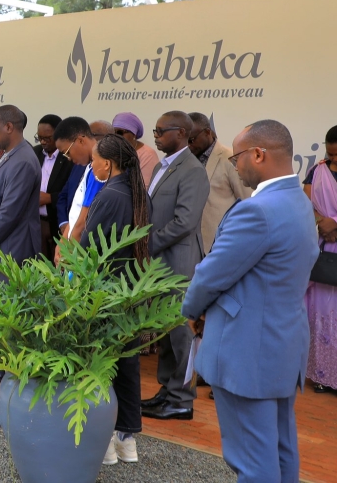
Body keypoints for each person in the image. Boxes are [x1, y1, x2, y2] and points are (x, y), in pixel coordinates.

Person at [182, 120, 317, 483]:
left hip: (247, 351)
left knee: (252, 461)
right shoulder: (299, 203)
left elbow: (211, 274)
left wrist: (190, 310)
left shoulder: (257, 211)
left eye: (237, 157)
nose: (233, 165)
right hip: (282, 346)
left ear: (258, 154)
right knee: (279, 448)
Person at [80, 134, 150, 466]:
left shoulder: (108, 195)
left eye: (94, 159)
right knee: (127, 362)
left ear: (107, 163)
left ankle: (104, 442)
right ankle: (126, 439)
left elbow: (89, 250)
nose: (91, 164)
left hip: (103, 294)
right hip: (132, 290)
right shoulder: (140, 195)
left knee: (100, 364)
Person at [141, 111, 210, 421]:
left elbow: (185, 222)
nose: (155, 135)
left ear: (182, 132)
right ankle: (167, 391)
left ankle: (182, 400)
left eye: (161, 130)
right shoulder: (160, 165)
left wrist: (147, 244)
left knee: (181, 334)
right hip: (159, 265)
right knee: (165, 331)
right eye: (154, 130)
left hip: (179, 263)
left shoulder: (193, 170)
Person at [0, 105, 41, 266]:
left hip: (12, 253)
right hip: (0, 249)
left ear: (9, 127)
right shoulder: (8, 154)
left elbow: (9, 213)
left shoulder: (23, 161)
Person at [303, 125, 337, 394]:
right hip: (324, 248)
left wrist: (334, 222)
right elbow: (305, 203)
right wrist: (321, 223)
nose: (333, 159)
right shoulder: (317, 170)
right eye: (330, 153)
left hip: (331, 234)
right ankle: (323, 374)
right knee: (321, 310)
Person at [188, 112, 251, 255]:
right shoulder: (185, 161)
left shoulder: (230, 159)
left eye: (191, 140)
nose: (187, 145)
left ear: (208, 132)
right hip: (190, 246)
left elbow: (247, 202)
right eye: (184, 140)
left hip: (222, 244)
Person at [53, 118, 106, 259]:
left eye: (67, 152)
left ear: (81, 141)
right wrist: (62, 243)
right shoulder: (88, 167)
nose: (68, 158)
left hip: (83, 251)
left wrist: (68, 252)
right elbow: (76, 212)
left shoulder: (100, 169)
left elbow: (84, 218)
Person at [34, 114, 73, 258]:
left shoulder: (69, 156)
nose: (43, 142)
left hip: (58, 223)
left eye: (47, 138)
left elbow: (74, 190)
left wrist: (51, 198)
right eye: (39, 137)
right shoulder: (34, 153)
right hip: (36, 223)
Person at [113, 112, 160, 190]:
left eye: (119, 132)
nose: (116, 136)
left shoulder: (148, 154)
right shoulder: (112, 151)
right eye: (113, 132)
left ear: (133, 134)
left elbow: (144, 188)